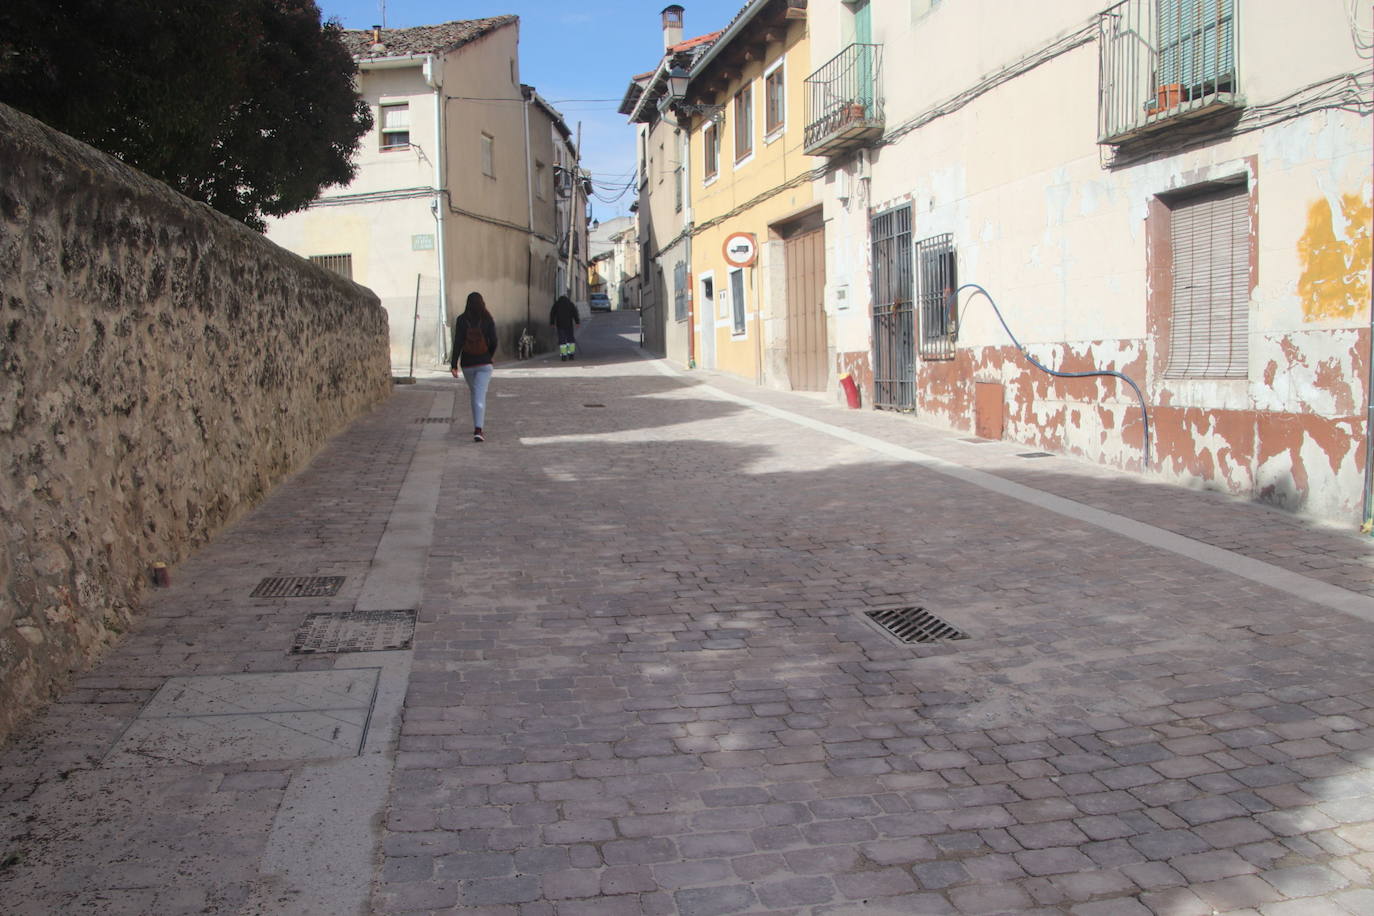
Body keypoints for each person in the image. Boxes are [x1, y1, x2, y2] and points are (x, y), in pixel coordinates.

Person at [450, 291, 498, 442]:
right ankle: (478, 429)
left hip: (468, 364)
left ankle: (477, 426)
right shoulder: (488, 319)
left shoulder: (461, 320)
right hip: (484, 363)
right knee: (478, 394)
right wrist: (489, 355)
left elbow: (458, 342)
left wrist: (454, 364)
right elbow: (494, 340)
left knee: (476, 393)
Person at [549, 294, 581, 361]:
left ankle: (564, 355)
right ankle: (571, 355)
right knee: (570, 339)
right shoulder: (570, 304)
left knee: (562, 340)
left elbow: (552, 313)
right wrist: (577, 322)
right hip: (569, 325)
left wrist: (552, 323)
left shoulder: (557, 304)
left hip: (560, 325)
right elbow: (575, 313)